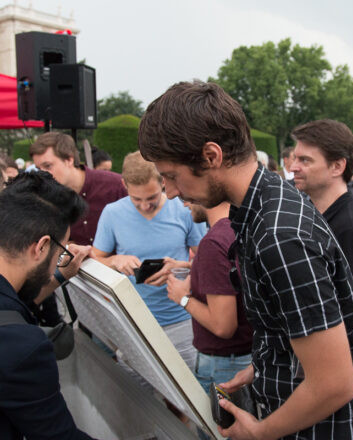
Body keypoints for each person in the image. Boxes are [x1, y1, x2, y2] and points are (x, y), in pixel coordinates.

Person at [138, 80, 353, 440]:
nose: (171, 192)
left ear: (211, 156)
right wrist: (261, 369)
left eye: (172, 176)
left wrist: (260, 431)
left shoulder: (277, 236)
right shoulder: (264, 204)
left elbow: (335, 384)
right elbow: (295, 325)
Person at [0, 171, 96, 440]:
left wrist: (57, 278)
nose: (60, 259)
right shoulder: (23, 347)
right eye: (61, 249)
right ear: (41, 247)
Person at [92, 151, 206, 370]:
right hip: (133, 323)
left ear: (163, 182)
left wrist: (179, 269)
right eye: (137, 199)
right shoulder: (112, 213)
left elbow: (205, 260)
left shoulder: (184, 209)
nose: (145, 205)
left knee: (190, 397)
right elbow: (94, 260)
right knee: (137, 396)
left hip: (181, 320)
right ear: (124, 184)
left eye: (152, 197)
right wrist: (115, 260)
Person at [292, 119, 353, 333]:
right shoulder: (314, 213)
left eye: (305, 160)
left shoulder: (351, 228)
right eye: (295, 158)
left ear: (337, 166)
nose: (294, 167)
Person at [166, 201, 253, 391]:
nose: (185, 202)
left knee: (219, 421)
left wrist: (182, 298)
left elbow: (223, 327)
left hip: (224, 364)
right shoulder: (241, 225)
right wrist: (192, 267)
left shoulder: (212, 243)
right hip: (247, 356)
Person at [30, 132, 127, 245]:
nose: (42, 174)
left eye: (48, 166)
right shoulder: (46, 198)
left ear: (69, 160)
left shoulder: (115, 185)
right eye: (38, 168)